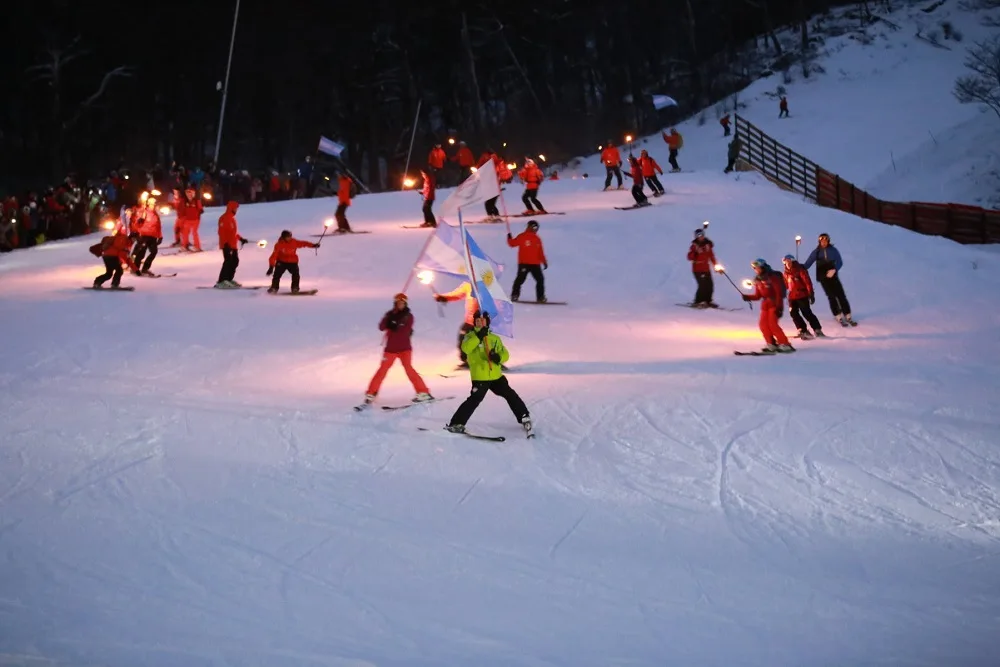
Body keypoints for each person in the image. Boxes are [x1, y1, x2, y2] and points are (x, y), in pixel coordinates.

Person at [446, 310, 532, 436]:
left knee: (510, 394)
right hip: (480, 377)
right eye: (477, 320)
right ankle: (456, 423)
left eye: (482, 320)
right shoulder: (470, 336)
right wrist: (478, 336)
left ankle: (524, 416)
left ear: (487, 322)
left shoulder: (494, 338)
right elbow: (466, 349)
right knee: (474, 399)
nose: (480, 322)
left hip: (496, 376)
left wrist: (498, 357)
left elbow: (505, 354)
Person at [362, 293, 434, 406]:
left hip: (405, 349)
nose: (401, 304)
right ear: (395, 303)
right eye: (399, 303)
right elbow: (381, 327)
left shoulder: (408, 316)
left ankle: (423, 392)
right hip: (390, 349)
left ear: (405, 304)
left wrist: (395, 323)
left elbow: (403, 330)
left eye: (403, 303)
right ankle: (371, 393)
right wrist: (388, 319)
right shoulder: (390, 315)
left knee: (409, 370)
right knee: (382, 371)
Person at [802, 233, 855, 326]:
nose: (824, 243)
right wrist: (799, 267)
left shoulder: (833, 250)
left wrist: (834, 270)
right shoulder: (817, 252)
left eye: (825, 241)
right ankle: (837, 315)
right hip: (823, 278)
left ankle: (847, 314)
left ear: (828, 241)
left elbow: (840, 262)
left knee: (840, 295)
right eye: (822, 241)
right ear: (819, 242)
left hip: (833, 276)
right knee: (831, 296)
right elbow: (808, 263)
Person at [742, 258, 794, 353]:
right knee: (763, 325)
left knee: (773, 325)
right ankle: (771, 344)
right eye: (754, 268)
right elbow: (758, 296)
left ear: (763, 267)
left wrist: (779, 307)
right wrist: (748, 297)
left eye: (757, 268)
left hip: (774, 304)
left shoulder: (772, 277)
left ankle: (785, 344)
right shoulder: (758, 280)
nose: (756, 270)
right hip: (765, 305)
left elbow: (778, 293)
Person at [781, 254, 824, 339]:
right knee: (793, 313)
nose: (788, 264)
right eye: (786, 262)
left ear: (792, 261)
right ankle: (802, 330)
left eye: (789, 262)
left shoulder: (800, 270)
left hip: (802, 295)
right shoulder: (786, 273)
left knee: (806, 312)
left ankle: (817, 329)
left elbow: (807, 282)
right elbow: (785, 285)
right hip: (792, 297)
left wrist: (811, 293)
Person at [507, 220, 548, 302]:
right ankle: (514, 295)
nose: (535, 229)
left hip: (535, 264)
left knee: (540, 279)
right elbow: (512, 244)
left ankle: (540, 297)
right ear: (529, 226)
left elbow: (540, 252)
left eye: (536, 227)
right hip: (524, 263)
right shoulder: (522, 236)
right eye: (533, 226)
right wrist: (509, 238)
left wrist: (544, 261)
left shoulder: (537, 239)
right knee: (520, 280)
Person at [216, 200, 247, 288]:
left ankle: (228, 279)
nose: (236, 210)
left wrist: (240, 238)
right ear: (232, 208)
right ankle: (222, 281)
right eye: (236, 208)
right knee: (228, 262)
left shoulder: (232, 218)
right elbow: (222, 232)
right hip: (227, 245)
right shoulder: (225, 218)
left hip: (233, 245)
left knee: (234, 261)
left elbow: (233, 233)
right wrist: (226, 244)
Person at [130, 196, 162, 275]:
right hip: (144, 235)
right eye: (152, 204)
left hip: (152, 236)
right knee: (141, 252)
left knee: (154, 252)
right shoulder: (144, 212)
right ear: (149, 204)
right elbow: (136, 224)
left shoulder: (155, 214)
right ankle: (135, 268)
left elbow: (158, 226)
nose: (154, 205)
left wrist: (160, 236)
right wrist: (139, 221)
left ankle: (145, 268)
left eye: (155, 204)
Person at [687, 228, 717, 307]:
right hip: (697, 269)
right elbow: (689, 257)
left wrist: (716, 266)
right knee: (702, 285)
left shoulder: (708, 245)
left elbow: (711, 256)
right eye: (698, 235)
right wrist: (694, 254)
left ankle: (708, 301)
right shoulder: (694, 246)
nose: (700, 237)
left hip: (706, 268)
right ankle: (698, 301)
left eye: (702, 235)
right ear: (696, 237)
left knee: (710, 285)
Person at [175, 186, 204, 251]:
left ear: (193, 194)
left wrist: (199, 211)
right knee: (185, 232)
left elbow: (200, 209)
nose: (189, 195)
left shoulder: (196, 201)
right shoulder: (184, 201)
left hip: (195, 220)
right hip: (188, 220)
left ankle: (197, 247)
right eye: (187, 193)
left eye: (190, 193)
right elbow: (181, 211)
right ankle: (185, 246)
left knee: (194, 232)